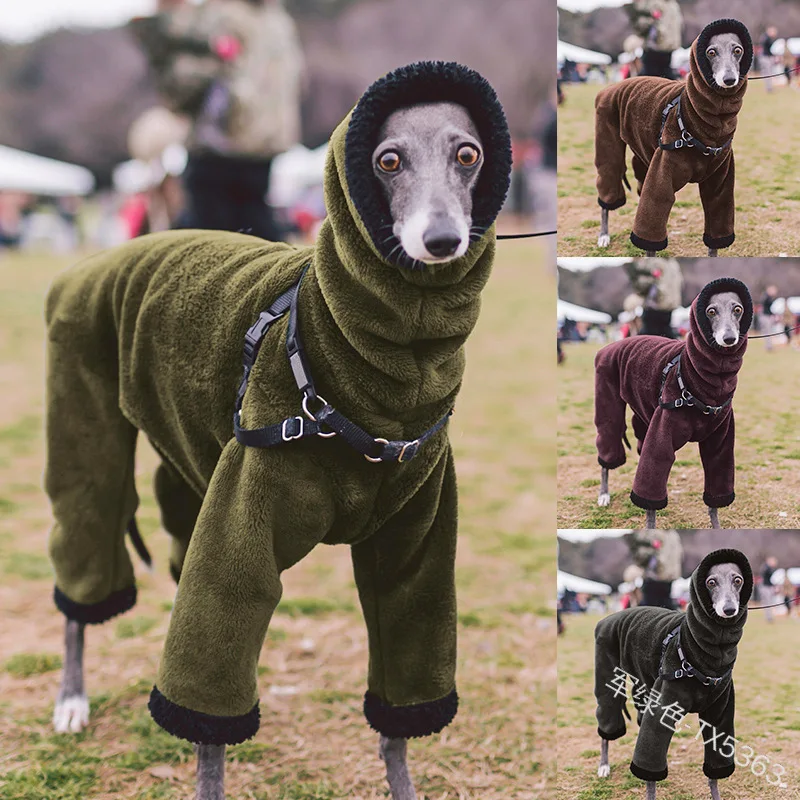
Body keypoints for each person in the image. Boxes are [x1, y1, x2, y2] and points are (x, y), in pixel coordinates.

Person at [134, 0, 304, 241]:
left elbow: (180, 65)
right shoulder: (277, 21)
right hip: (263, 141)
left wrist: (160, 20)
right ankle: (284, 275)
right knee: (255, 226)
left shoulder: (223, 15)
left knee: (206, 235)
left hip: (220, 138)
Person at [629, 0, 682, 79]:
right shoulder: (673, 5)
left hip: (655, 45)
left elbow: (640, 14)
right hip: (668, 45)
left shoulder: (656, 3)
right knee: (664, 74)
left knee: (649, 76)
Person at [760, 26, 778, 92]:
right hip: (766, 58)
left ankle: (769, 87)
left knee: (768, 73)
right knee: (768, 73)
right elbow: (771, 50)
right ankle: (769, 88)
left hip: (766, 57)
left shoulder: (765, 38)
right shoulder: (767, 39)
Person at [761, 556, 777, 622]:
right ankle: (768, 617)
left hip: (768, 587)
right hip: (766, 587)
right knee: (768, 603)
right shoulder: (767, 568)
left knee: (769, 603)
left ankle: (769, 616)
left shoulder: (768, 568)